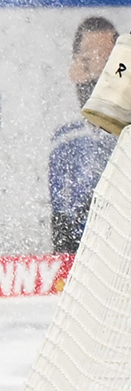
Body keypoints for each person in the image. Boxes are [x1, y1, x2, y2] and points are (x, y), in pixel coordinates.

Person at [50, 16, 120, 253]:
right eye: (90, 61)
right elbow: (60, 215)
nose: (100, 73)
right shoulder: (66, 138)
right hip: (83, 249)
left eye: (108, 61)